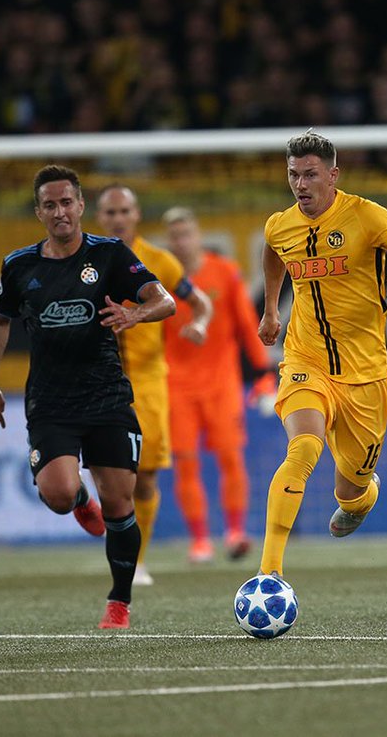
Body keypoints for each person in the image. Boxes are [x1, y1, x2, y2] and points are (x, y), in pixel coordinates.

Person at [0, 165, 175, 629]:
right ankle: (80, 497)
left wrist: (136, 315)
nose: (60, 212)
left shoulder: (109, 255)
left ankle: (119, 602)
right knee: (58, 494)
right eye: (50, 205)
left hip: (106, 396)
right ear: (39, 212)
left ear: (81, 206)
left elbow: (165, 300)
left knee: (121, 504)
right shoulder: (19, 266)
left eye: (67, 202)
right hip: (51, 402)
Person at [256, 131, 387, 577]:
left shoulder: (366, 216)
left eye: (310, 175)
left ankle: (361, 498)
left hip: (364, 374)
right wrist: (270, 310)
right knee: (303, 448)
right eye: (293, 175)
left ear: (333, 175)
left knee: (350, 490)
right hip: (305, 360)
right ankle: (269, 574)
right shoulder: (279, 225)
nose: (300, 185)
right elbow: (273, 253)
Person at [95, 185, 213, 575]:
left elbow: (199, 301)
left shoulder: (159, 261)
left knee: (144, 477)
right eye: (110, 212)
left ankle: (137, 561)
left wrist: (200, 323)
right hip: (95, 381)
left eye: (124, 211)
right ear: (99, 217)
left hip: (146, 383)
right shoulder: (84, 261)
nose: (117, 219)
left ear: (136, 215)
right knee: (109, 479)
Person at [161, 206, 277, 563]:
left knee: (231, 457)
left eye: (186, 234)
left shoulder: (224, 272)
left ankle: (235, 532)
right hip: (175, 384)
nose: (182, 242)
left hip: (222, 382)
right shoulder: (160, 279)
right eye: (175, 236)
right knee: (185, 463)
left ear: (198, 236)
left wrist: (263, 373)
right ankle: (199, 541)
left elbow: (246, 324)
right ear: (169, 242)